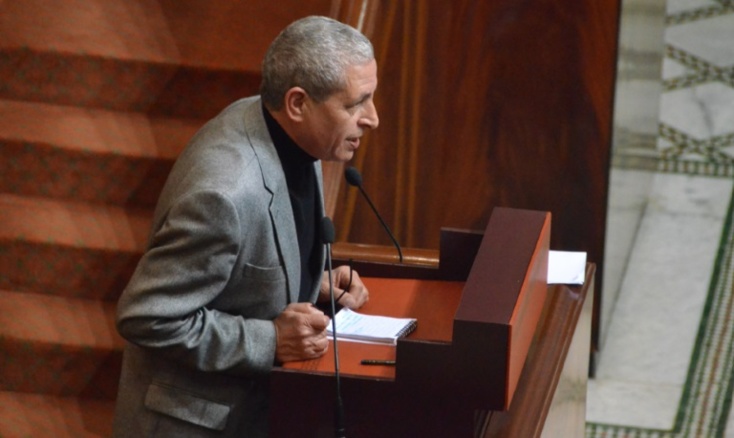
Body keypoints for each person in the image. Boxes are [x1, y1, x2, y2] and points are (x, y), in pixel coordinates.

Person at [112, 15, 379, 437]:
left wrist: (311, 282)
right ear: (297, 103)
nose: (373, 118)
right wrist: (270, 340)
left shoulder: (289, 134)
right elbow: (148, 317)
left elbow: (242, 264)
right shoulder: (224, 194)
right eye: (354, 104)